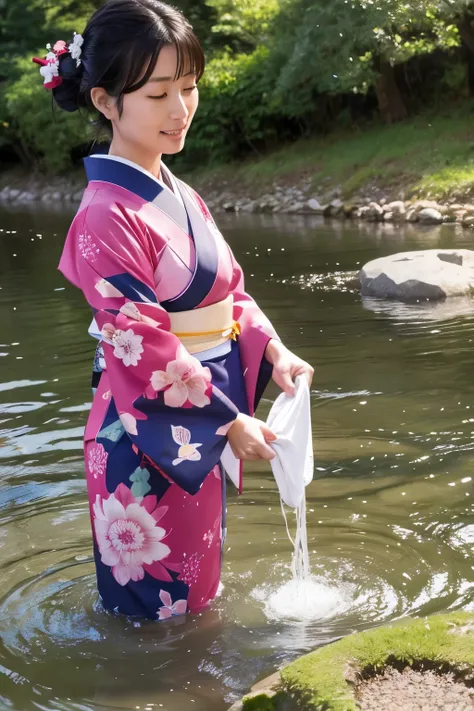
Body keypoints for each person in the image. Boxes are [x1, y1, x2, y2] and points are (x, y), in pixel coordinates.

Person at [33, 0, 314, 621]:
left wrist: (274, 349)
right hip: (147, 430)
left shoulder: (178, 192)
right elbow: (139, 341)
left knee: (195, 589)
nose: (181, 109)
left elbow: (230, 292)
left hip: (198, 420)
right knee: (156, 610)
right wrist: (226, 421)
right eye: (159, 93)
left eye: (188, 88)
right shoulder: (105, 215)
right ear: (106, 101)